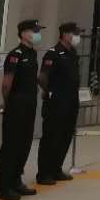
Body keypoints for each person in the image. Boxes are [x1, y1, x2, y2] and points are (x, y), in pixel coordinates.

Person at [0, 19, 43, 200]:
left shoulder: (32, 53)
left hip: (29, 105)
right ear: (23, 33)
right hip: (16, 105)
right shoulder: (15, 55)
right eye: (34, 31)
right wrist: (7, 103)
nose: (37, 34)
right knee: (11, 145)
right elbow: (6, 84)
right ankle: (5, 186)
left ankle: (16, 181)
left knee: (24, 144)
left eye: (38, 31)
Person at [37, 22, 83, 185]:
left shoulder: (72, 53)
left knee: (65, 135)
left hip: (71, 101)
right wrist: (49, 91)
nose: (77, 37)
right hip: (56, 102)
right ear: (64, 34)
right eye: (74, 33)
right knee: (51, 137)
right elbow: (42, 77)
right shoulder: (53, 53)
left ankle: (56, 168)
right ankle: (44, 173)